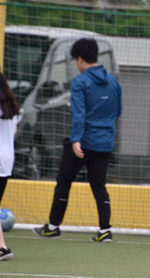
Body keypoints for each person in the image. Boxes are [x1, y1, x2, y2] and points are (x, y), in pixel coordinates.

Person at [33, 37, 122, 242]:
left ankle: (53, 227)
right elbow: (118, 111)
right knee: (98, 185)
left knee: (64, 181)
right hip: (105, 142)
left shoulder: (80, 81)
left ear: (80, 59)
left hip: (83, 142)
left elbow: (79, 113)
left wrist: (75, 140)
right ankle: (105, 230)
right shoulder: (114, 81)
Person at [0, 72, 19, 260]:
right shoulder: (11, 107)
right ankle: (2, 248)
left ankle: (3, 248)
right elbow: (13, 131)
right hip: (6, 162)